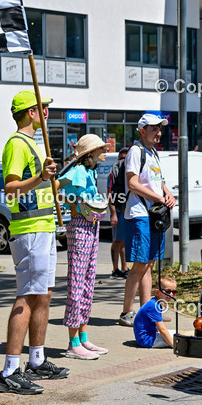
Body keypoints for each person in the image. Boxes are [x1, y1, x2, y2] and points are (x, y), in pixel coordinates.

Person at [0, 91, 70, 395]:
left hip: (44, 227)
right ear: (30, 112)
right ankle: (9, 371)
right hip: (29, 230)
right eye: (43, 107)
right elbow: (11, 188)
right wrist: (40, 177)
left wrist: (58, 181)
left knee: (44, 295)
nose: (47, 112)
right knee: (27, 295)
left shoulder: (33, 144)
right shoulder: (16, 143)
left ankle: (36, 360)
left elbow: (39, 186)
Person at [120, 114, 176, 327]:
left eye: (159, 129)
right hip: (139, 213)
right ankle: (127, 312)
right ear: (142, 131)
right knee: (140, 264)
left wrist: (167, 194)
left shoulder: (153, 152)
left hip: (152, 214)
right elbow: (132, 183)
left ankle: (146, 312)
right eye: (154, 129)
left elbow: (157, 181)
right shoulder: (136, 151)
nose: (158, 133)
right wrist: (159, 198)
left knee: (149, 263)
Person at [59, 134, 110, 360]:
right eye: (101, 148)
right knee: (77, 284)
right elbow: (56, 188)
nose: (105, 150)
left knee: (88, 283)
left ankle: (83, 337)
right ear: (90, 152)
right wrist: (75, 203)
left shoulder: (89, 171)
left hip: (92, 225)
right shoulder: (78, 170)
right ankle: (73, 343)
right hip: (80, 226)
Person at [132, 276, 177, 348]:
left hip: (149, 336)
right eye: (168, 291)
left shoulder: (155, 303)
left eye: (174, 292)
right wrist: (174, 345)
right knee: (181, 337)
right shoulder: (154, 306)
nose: (171, 294)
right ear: (157, 292)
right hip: (148, 340)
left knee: (180, 334)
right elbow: (162, 329)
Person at [107, 147, 130, 278]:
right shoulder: (113, 173)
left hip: (127, 210)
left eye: (125, 159)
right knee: (117, 241)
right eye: (121, 158)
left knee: (124, 241)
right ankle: (115, 269)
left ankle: (124, 268)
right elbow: (110, 195)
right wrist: (114, 214)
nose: (123, 161)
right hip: (118, 211)